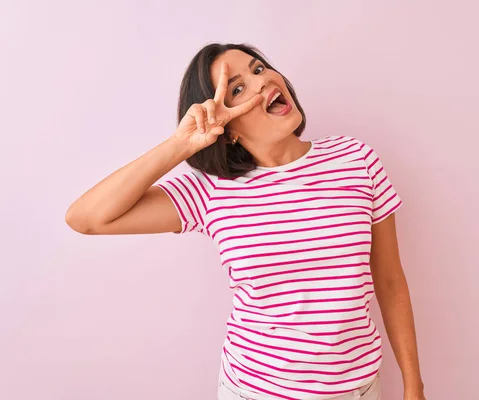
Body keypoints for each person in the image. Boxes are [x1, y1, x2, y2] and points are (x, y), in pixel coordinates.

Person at [65, 43, 426, 400]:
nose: (261, 82)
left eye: (258, 69)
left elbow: (391, 281)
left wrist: (414, 386)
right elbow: (87, 218)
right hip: (255, 391)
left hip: (358, 389)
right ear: (228, 126)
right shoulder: (209, 192)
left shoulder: (355, 159)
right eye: (237, 89)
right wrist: (181, 144)